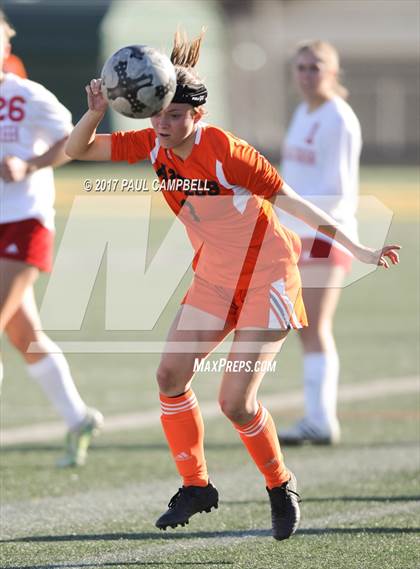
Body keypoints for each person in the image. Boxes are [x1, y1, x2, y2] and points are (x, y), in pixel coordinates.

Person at [65, 29, 399, 540]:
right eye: (158, 114)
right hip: (215, 280)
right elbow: (78, 149)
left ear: (197, 115)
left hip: (268, 279)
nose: (164, 124)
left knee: (235, 402)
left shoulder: (225, 149)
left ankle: (279, 483)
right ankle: (196, 486)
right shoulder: (155, 144)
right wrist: (94, 108)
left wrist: (359, 250)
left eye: (175, 116)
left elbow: (292, 202)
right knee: (169, 375)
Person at [0, 12, 103, 467]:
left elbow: (73, 142)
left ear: (6, 47)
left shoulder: (27, 95)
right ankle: (79, 417)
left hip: (24, 221)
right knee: (24, 334)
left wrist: (30, 165)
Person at [277, 41, 362, 445]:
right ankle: (317, 418)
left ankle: (321, 419)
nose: (308, 74)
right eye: (302, 67)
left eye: (316, 67)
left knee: (314, 326)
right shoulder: (302, 111)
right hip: (298, 233)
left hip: (324, 234)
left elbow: (338, 191)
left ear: (334, 71)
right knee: (304, 328)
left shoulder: (338, 118)